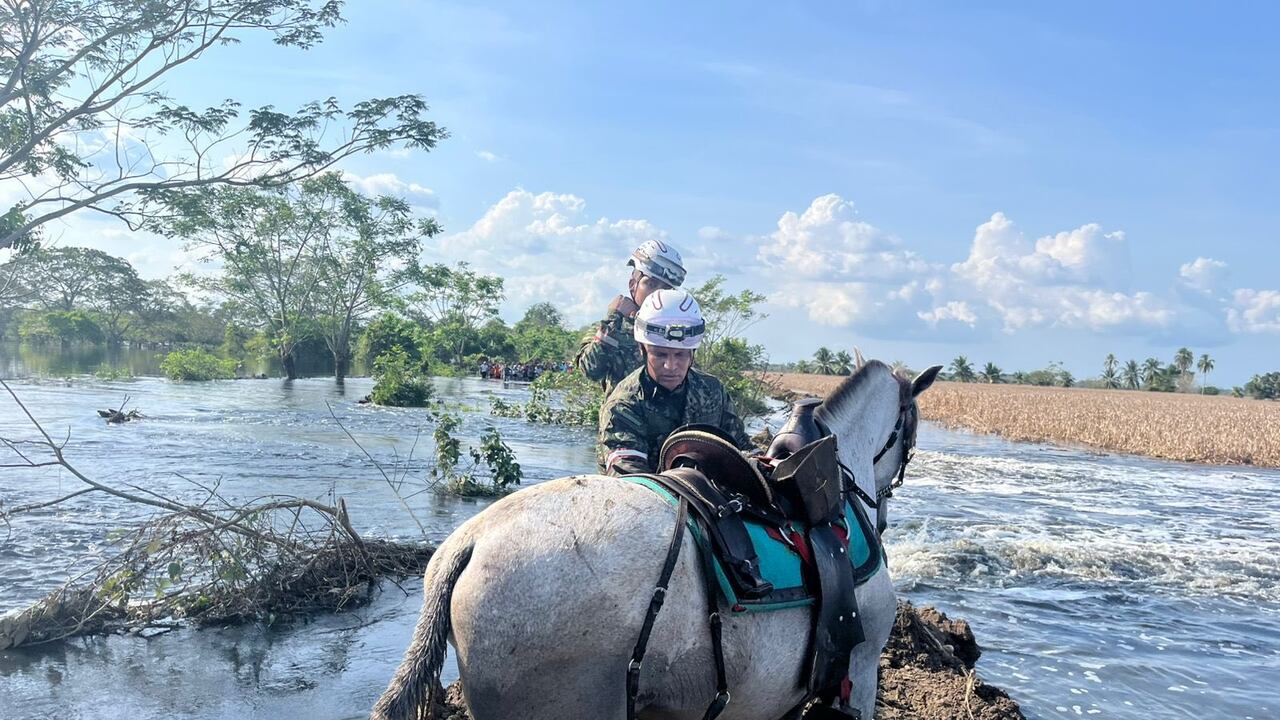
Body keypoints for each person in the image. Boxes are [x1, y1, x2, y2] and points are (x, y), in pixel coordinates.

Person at [597, 289, 751, 476]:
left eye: (680, 355)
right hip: (645, 499)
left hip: (707, 500)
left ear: (692, 353)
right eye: (660, 354)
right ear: (642, 350)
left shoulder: (713, 391)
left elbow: (741, 447)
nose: (670, 366)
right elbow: (629, 476)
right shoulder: (623, 405)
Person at [575, 239, 687, 397]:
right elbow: (590, 370)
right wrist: (613, 320)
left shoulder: (678, 330)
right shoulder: (613, 327)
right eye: (651, 284)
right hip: (624, 417)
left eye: (666, 288)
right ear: (633, 285)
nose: (657, 294)